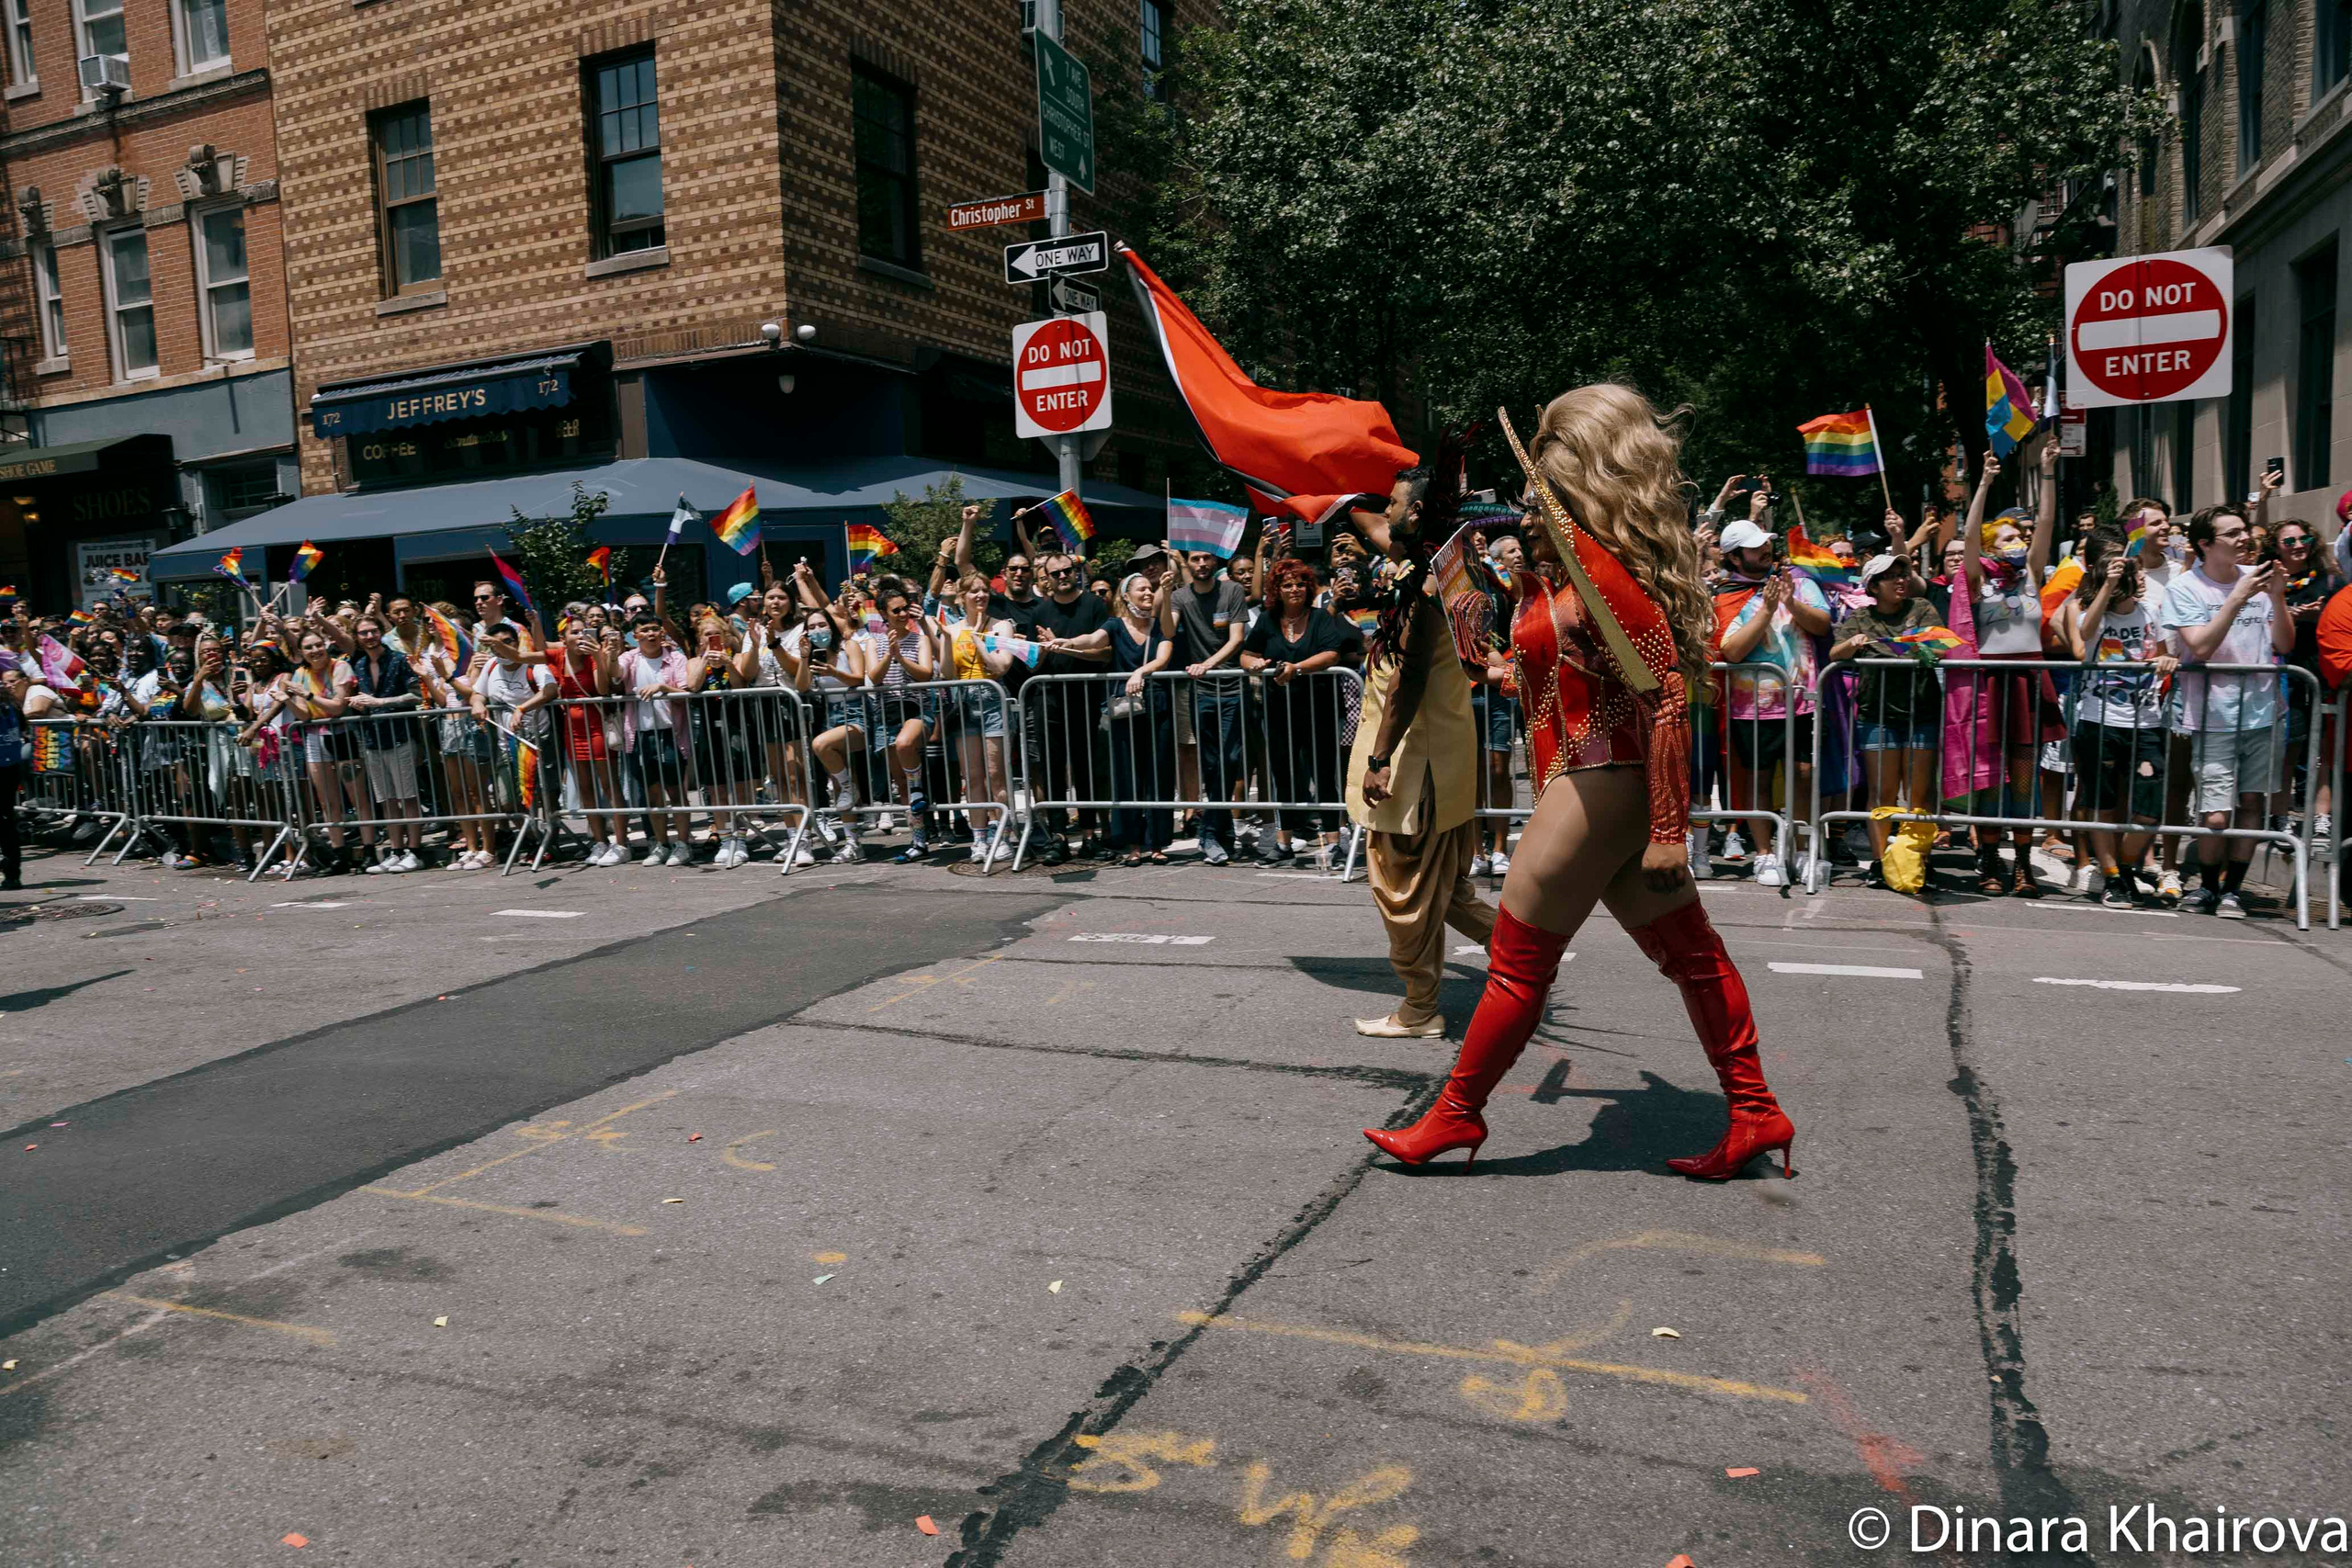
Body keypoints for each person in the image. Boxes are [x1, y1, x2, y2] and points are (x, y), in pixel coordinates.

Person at [1364, 383, 1795, 1182]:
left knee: (1519, 962)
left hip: (1600, 782)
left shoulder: (1601, 572)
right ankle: (1756, 1110)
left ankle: (1457, 1113)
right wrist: (1498, 663)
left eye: (1539, 491)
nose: (1525, 507)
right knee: (1691, 956)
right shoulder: (1574, 573)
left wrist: (1672, 830)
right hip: (1600, 781)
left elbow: (1665, 688)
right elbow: (1582, 675)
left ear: (1579, 486)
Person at [1343, 464, 1498, 1039]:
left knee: (1401, 886)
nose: (1384, 513)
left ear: (1417, 515)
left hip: (1416, 763)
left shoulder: (1429, 584)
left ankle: (1419, 1008)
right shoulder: (1451, 563)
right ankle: (1524, 960)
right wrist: (1328, 487)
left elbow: (1408, 677)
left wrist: (1380, 761)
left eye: (1394, 503)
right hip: (1447, 754)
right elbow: (1371, 523)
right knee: (1449, 889)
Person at [2161, 503, 2294, 918]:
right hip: (2213, 714)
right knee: (2216, 814)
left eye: (2244, 531)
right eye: (2232, 533)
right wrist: (2236, 599)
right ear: (2204, 544)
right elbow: (2199, 648)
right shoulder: (2185, 588)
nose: (2244, 538)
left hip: (2263, 711)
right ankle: (2207, 886)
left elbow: (2284, 645)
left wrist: (2276, 597)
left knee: (2252, 803)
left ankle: (2233, 890)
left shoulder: (2257, 580)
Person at [1944, 444, 2061, 896]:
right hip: (1992, 681)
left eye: (2021, 537)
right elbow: (1970, 536)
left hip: (2029, 679)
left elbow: (2047, 525)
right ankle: (1990, 862)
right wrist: (1985, 482)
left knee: (2024, 778)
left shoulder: (2031, 572)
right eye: (2010, 538)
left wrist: (2048, 473)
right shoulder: (1980, 578)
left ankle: (2024, 865)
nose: (2021, 543)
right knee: (1992, 780)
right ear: (1994, 546)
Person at [1710, 505, 1829, 886]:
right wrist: (1768, 609)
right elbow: (1731, 651)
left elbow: (1823, 624)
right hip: (1754, 709)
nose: (1764, 551)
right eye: (1754, 548)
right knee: (1758, 781)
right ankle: (1764, 856)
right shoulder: (1727, 598)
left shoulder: (1799, 581)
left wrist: (1791, 602)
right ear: (1734, 557)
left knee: (1804, 777)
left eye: (1766, 545)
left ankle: (1799, 849)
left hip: (1802, 701)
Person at [2061, 531, 2174, 907]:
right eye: (2126, 573)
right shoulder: (2090, 609)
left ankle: (2124, 867)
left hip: (2146, 721)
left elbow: (2161, 652)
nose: (2134, 579)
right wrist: (2107, 588)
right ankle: (2111, 876)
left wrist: (2165, 659)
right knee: (2101, 803)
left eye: (2134, 573)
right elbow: (2085, 634)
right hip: (2099, 719)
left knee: (2148, 806)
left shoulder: (2151, 611)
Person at [1826, 554, 1941, 886]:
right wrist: (1852, 643)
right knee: (1882, 793)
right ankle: (1879, 863)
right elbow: (1836, 654)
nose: (1900, 580)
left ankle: (1919, 860)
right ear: (1873, 586)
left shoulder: (1920, 608)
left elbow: (1940, 645)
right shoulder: (1860, 617)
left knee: (1918, 794)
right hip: (1876, 713)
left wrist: (1921, 644)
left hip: (1921, 712)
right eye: (1890, 576)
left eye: (1902, 573)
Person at [1239, 558, 1362, 864]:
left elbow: (1331, 653)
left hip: (1319, 706)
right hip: (1279, 708)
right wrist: (1253, 664)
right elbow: (1246, 653)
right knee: (1283, 773)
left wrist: (1297, 668)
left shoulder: (1320, 618)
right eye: (1286, 584)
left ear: (1308, 588)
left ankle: (1333, 842)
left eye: (1299, 584)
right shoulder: (1267, 620)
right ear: (1277, 589)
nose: (1293, 589)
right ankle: (1284, 844)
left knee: (1323, 772)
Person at [1051, 571, 1178, 863]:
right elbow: (1093, 640)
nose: (1148, 593)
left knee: (1158, 775)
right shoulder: (1115, 625)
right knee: (1127, 776)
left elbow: (1165, 652)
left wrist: (1140, 672)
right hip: (1125, 709)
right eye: (1142, 589)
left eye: (1151, 589)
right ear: (1126, 595)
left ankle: (1156, 843)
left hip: (1156, 705)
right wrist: (1067, 642)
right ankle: (1133, 845)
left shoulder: (1160, 626)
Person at [1024, 549, 1114, 863]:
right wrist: (1046, 652)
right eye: (1055, 573)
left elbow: (1105, 653)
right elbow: (1030, 665)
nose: (1063, 576)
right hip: (1047, 699)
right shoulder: (1039, 612)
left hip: (1085, 697)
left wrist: (1065, 646)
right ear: (1046, 580)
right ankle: (1059, 837)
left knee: (1085, 768)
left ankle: (1090, 837)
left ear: (1075, 571)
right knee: (1052, 771)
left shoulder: (1094, 604)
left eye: (1067, 570)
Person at [1162, 547, 1250, 863]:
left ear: (1216, 561)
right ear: (1189, 563)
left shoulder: (1232, 590)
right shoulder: (1180, 596)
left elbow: (1236, 638)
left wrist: (1208, 664)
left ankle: (1209, 833)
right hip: (1202, 691)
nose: (1202, 564)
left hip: (1231, 686)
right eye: (1196, 559)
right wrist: (1164, 590)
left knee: (1230, 758)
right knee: (1212, 764)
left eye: (1207, 558)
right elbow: (1169, 631)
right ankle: (1221, 833)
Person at [940, 572, 1018, 863]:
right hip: (964, 703)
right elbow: (947, 674)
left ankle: (1003, 834)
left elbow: (1001, 666)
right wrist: (948, 641)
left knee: (996, 775)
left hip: (992, 700)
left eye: (984, 590)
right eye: (973, 591)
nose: (980, 595)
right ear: (962, 596)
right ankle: (979, 838)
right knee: (972, 777)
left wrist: (980, 641)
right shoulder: (951, 628)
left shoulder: (1002, 626)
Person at [2276, 514, 2339, 853]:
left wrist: (2320, 617)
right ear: (2277, 548)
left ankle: (2321, 817)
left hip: (2322, 671)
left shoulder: (2331, 580)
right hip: (2288, 673)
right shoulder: (2271, 580)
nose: (2298, 546)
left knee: (2324, 752)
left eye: (2303, 540)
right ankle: (2280, 817)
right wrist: (2289, 615)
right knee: (2289, 749)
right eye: (2289, 542)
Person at [862, 582, 936, 863]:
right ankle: (919, 841)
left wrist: (901, 658)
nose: (904, 613)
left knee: (906, 744)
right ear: (883, 613)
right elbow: (875, 676)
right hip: (887, 715)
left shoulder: (920, 640)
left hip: (916, 709)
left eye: (906, 608)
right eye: (897, 610)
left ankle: (918, 787)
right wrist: (890, 654)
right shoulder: (873, 641)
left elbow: (926, 674)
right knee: (902, 785)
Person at [345, 613, 424, 874]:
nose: (369, 637)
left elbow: (416, 696)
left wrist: (382, 703)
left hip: (400, 736)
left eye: (373, 631)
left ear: (381, 632)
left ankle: (414, 852)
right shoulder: (357, 664)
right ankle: (396, 850)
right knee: (387, 800)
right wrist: (358, 704)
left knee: (408, 797)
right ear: (357, 638)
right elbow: (363, 703)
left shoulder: (399, 660)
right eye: (363, 633)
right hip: (372, 739)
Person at [1472, 535, 1524, 874]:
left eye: (1481, 541)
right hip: (1468, 684)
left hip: (1501, 682)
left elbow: (1519, 595)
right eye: (1470, 540)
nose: (1477, 543)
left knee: (1498, 768)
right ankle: (1477, 851)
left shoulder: (1501, 580)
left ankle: (1501, 849)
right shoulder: (1454, 581)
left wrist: (1494, 566)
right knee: (1472, 772)